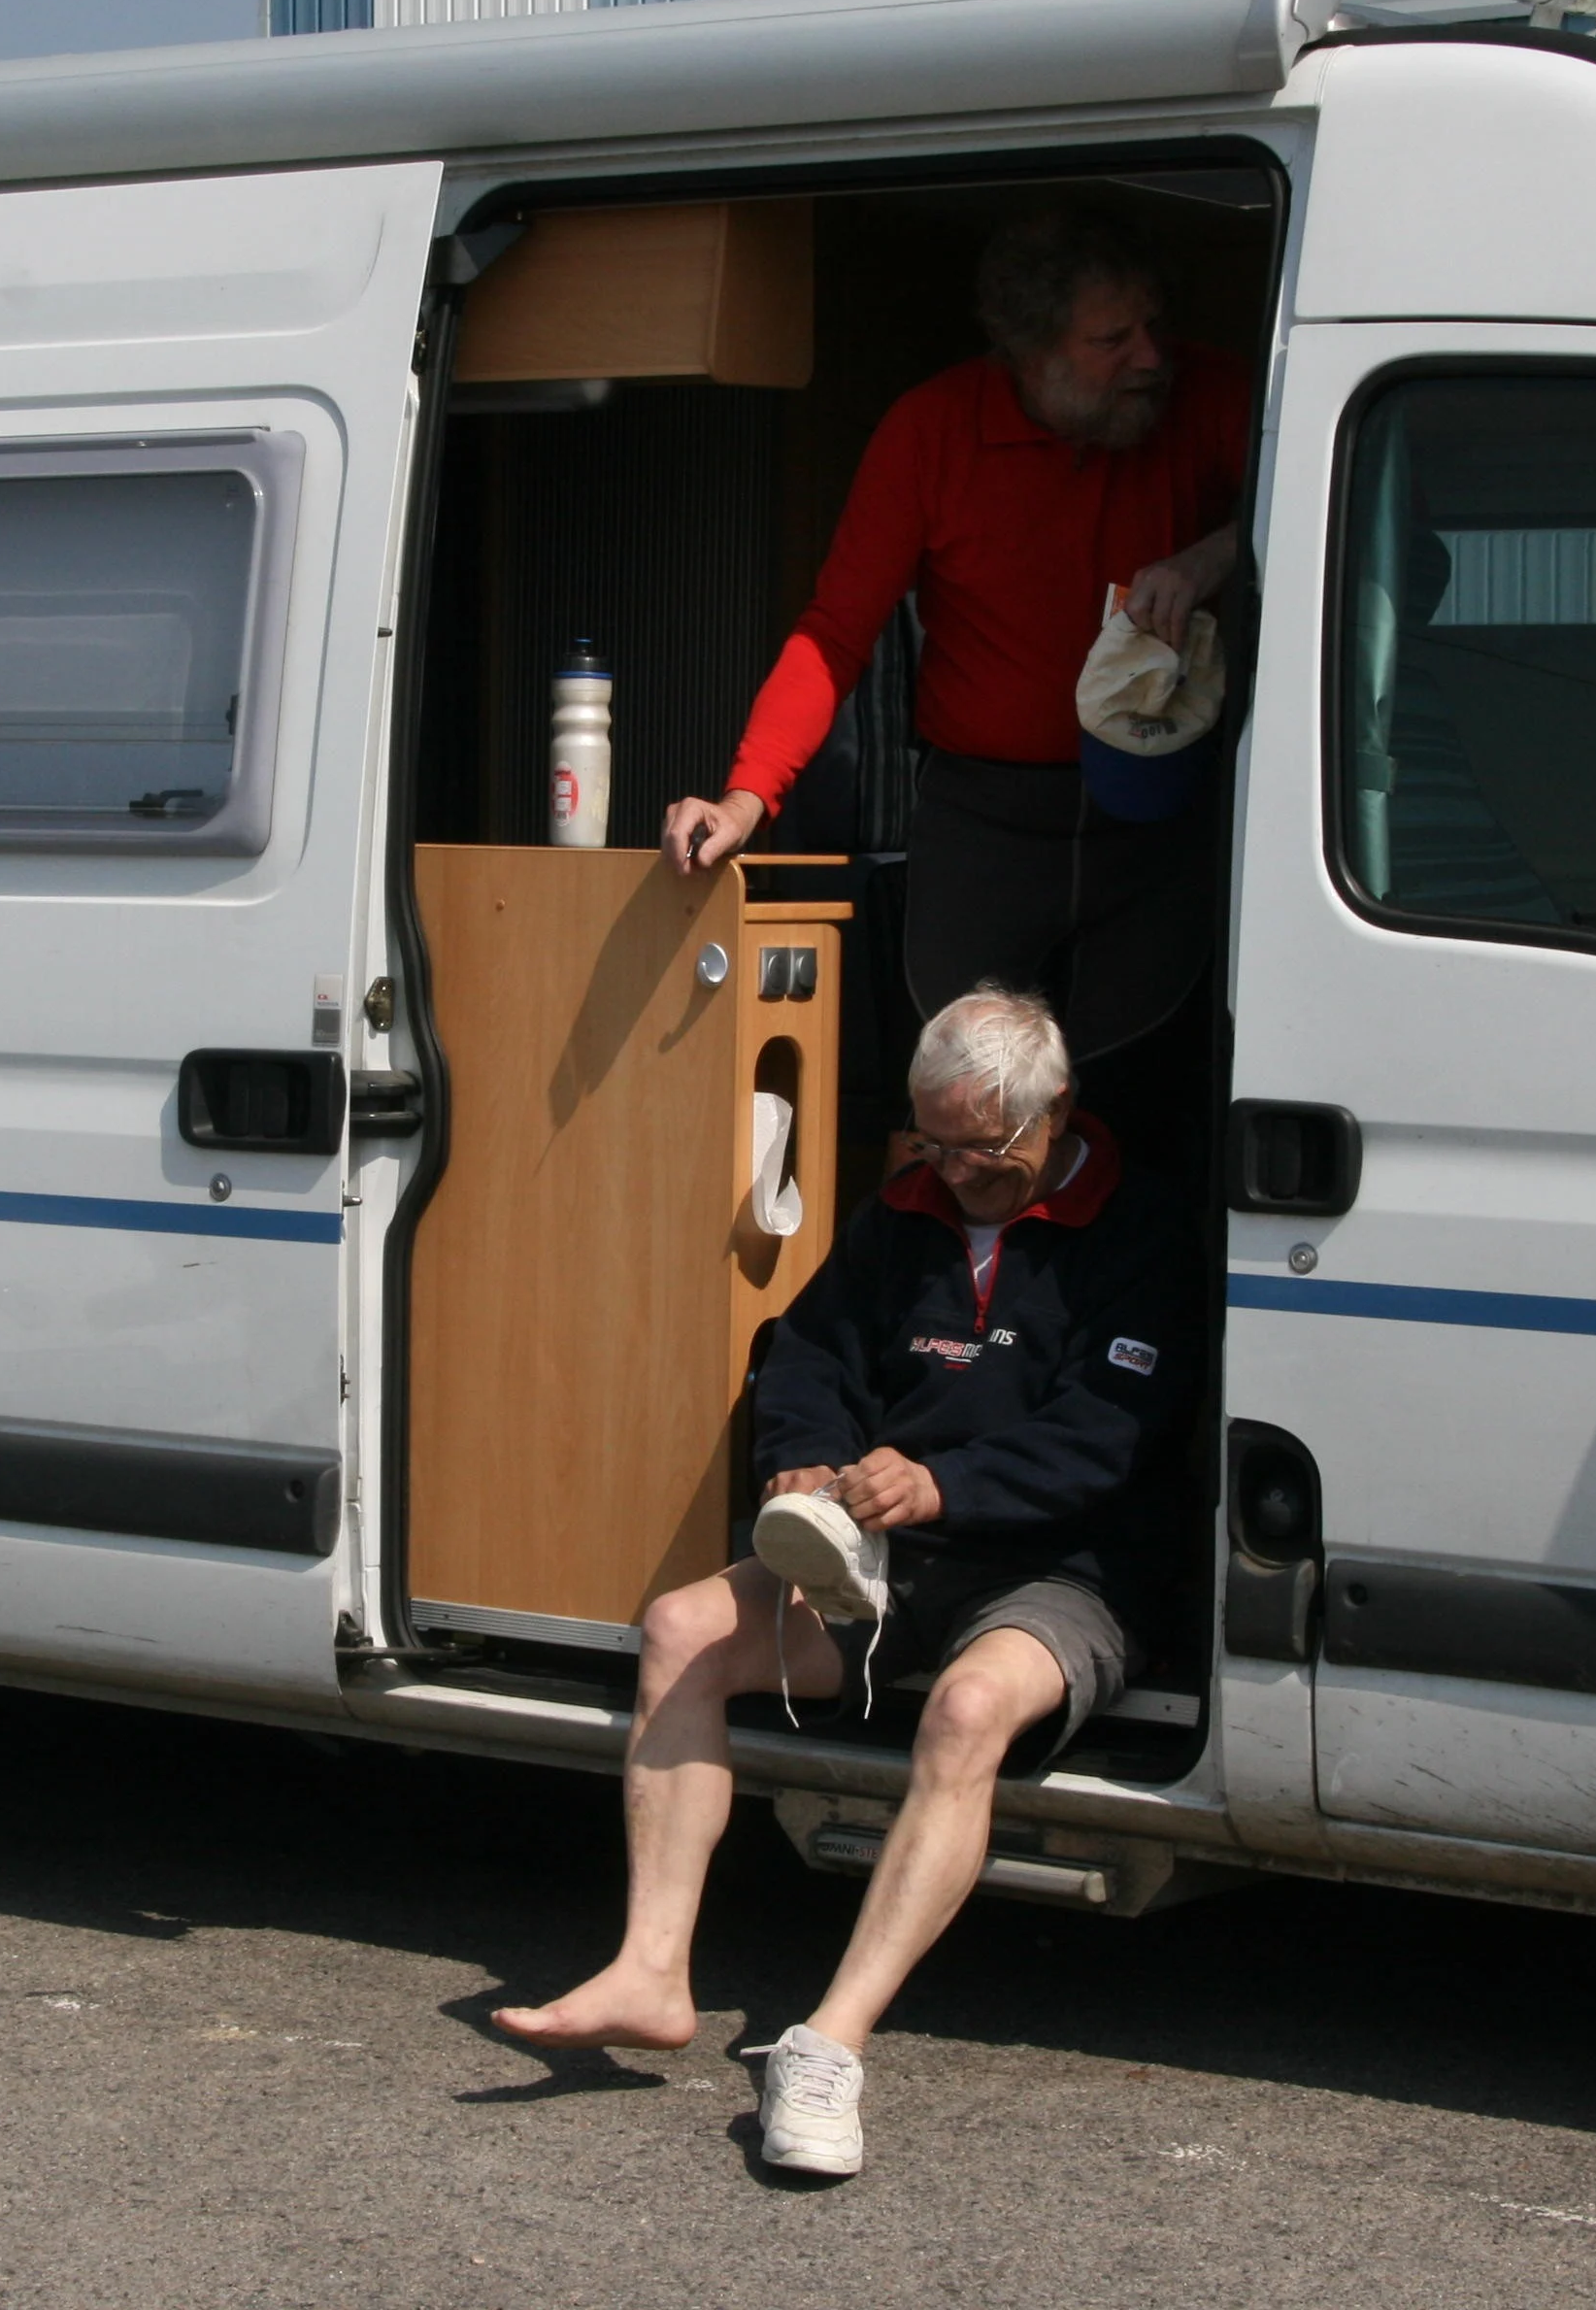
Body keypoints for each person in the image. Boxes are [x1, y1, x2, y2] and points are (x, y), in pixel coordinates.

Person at [488, 987, 1204, 2177]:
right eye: (935, 1144)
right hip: (888, 1552)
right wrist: (804, 1456)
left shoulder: (1148, 1227)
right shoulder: (901, 1208)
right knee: (680, 1626)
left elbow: (1110, 1434)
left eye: (983, 1151)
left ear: (1058, 1110)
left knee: (968, 1710)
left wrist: (941, 1483)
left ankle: (829, 2043)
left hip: (1070, 1565)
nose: (955, 1174)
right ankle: (651, 1971)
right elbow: (809, 1353)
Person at [661, 207, 1248, 1066]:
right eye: (1112, 339)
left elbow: (1340, 514)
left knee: (1144, 1078)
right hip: (985, 819)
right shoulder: (932, 431)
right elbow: (834, 634)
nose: (1151, 357)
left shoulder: (1206, 393)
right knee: (965, 1086)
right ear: (1031, 351)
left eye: (1154, 326)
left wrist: (1217, 555)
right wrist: (746, 797)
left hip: (1158, 809)